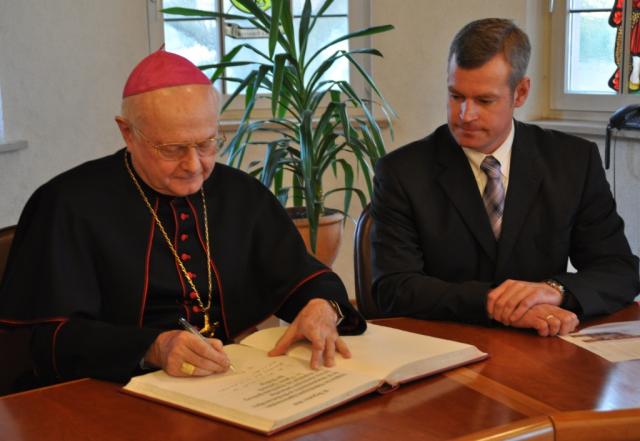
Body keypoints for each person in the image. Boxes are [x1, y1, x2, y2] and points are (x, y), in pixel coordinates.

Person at [0, 50, 365, 388]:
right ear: (127, 132)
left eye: (206, 144)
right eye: (172, 149)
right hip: (108, 391)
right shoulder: (67, 204)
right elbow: (45, 339)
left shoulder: (241, 194)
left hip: (230, 381)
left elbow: (302, 277)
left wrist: (322, 306)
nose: (194, 165)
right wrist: (153, 347)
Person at [371, 18, 640, 337]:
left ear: (520, 92)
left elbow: (620, 270)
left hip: (542, 345)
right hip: (447, 344)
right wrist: (494, 304)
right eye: (456, 96)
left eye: (484, 100)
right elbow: (394, 287)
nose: (465, 115)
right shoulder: (402, 171)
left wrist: (554, 291)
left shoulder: (573, 161)